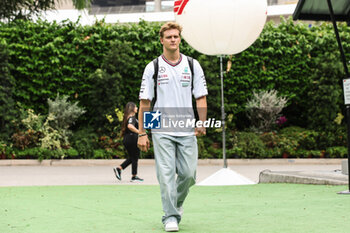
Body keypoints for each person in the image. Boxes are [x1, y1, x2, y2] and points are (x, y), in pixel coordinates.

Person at [138, 22, 207, 232]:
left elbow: (201, 97)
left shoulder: (193, 65)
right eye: (168, 37)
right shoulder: (153, 67)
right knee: (166, 175)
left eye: (176, 36)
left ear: (180, 38)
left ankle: (174, 205)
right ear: (162, 40)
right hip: (160, 126)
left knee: (189, 174)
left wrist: (202, 121)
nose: (173, 40)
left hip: (186, 127)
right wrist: (142, 132)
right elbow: (145, 103)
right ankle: (170, 216)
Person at [113, 102, 144, 182]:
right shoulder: (132, 117)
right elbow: (130, 126)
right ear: (132, 108)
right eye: (136, 107)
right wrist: (139, 132)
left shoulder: (127, 117)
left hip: (128, 138)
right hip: (132, 138)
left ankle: (119, 168)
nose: (137, 108)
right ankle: (134, 176)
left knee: (133, 157)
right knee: (135, 157)